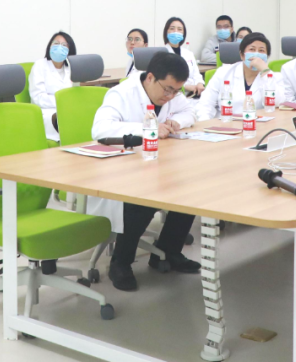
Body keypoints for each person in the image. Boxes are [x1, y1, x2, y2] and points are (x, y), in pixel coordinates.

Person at [89, 52, 200, 291]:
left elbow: (190, 112)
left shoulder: (170, 93)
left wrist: (176, 122)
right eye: (168, 90)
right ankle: (121, 262)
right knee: (145, 196)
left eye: (176, 91)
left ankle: (168, 252)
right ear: (150, 77)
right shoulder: (121, 93)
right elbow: (100, 129)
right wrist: (148, 128)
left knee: (189, 185)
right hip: (119, 168)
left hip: (153, 163)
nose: (170, 96)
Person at [195, 32, 287, 120]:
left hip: (258, 126)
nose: (256, 54)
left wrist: (264, 71)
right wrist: (205, 123)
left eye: (261, 50)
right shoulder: (223, 73)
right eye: (252, 49)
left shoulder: (275, 78)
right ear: (242, 55)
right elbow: (205, 104)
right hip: (225, 124)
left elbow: (278, 104)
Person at [30, 31, 77, 141]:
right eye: (56, 43)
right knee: (63, 120)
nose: (59, 47)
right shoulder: (40, 65)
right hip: (46, 112)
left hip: (68, 109)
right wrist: (62, 102)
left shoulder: (71, 68)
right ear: (50, 46)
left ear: (70, 50)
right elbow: (38, 97)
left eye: (64, 45)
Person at [162, 17, 205, 96]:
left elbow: (196, 74)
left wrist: (199, 83)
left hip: (193, 94)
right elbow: (164, 79)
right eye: (172, 28)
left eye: (179, 29)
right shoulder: (162, 53)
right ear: (166, 32)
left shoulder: (189, 53)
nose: (176, 32)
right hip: (172, 95)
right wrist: (185, 87)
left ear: (183, 33)